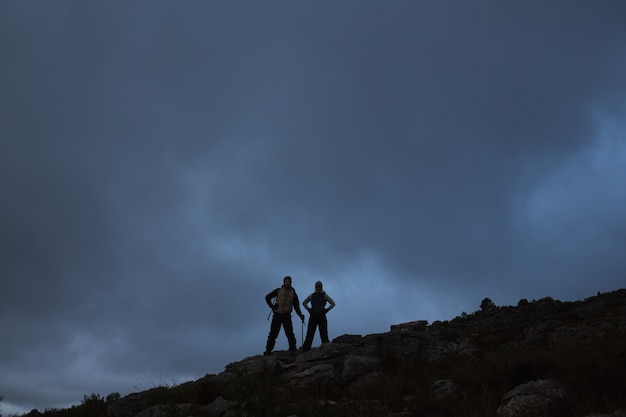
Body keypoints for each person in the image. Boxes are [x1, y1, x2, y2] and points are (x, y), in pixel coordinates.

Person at [264, 276, 305, 356]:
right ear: (283, 282)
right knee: (272, 334)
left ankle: (293, 350)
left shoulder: (293, 293)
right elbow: (267, 297)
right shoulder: (278, 290)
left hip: (287, 316)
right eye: (286, 281)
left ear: (290, 283)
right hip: (277, 315)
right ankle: (268, 351)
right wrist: (272, 306)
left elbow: (296, 306)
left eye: (288, 281)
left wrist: (300, 315)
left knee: (290, 334)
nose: (287, 283)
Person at [300, 280, 335, 352]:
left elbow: (333, 303)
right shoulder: (312, 296)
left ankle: (327, 350)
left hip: (321, 317)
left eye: (319, 287)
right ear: (315, 287)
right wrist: (309, 310)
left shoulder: (324, 295)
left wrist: (327, 310)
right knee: (309, 334)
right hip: (313, 317)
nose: (318, 288)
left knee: (324, 334)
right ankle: (305, 350)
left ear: (321, 287)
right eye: (317, 287)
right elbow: (304, 303)